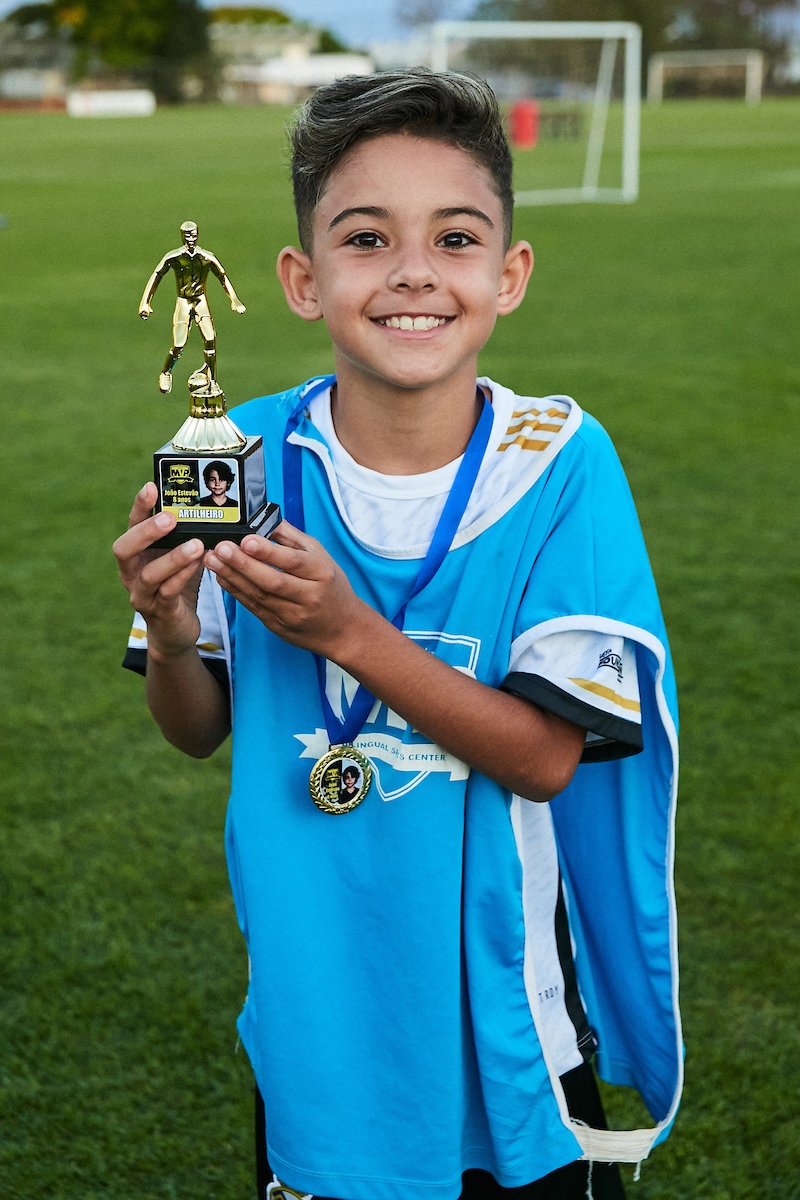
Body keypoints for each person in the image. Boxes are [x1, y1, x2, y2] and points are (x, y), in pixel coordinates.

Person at [115, 70, 681, 1200]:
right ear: (300, 278)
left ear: (507, 275)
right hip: (315, 1000)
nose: (413, 271)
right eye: (365, 238)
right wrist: (173, 631)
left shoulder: (556, 465)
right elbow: (194, 730)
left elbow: (542, 756)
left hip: (502, 1009)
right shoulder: (244, 454)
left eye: (455, 237)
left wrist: (345, 631)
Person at [138, 220, 246, 394]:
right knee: (178, 344)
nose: (191, 239)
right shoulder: (174, 257)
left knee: (210, 339)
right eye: (188, 235)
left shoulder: (206, 257)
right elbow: (157, 275)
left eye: (194, 235)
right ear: (182, 236)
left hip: (200, 301)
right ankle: (166, 371)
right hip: (184, 301)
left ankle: (212, 381)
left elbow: (222, 276)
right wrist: (145, 301)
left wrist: (234, 300)